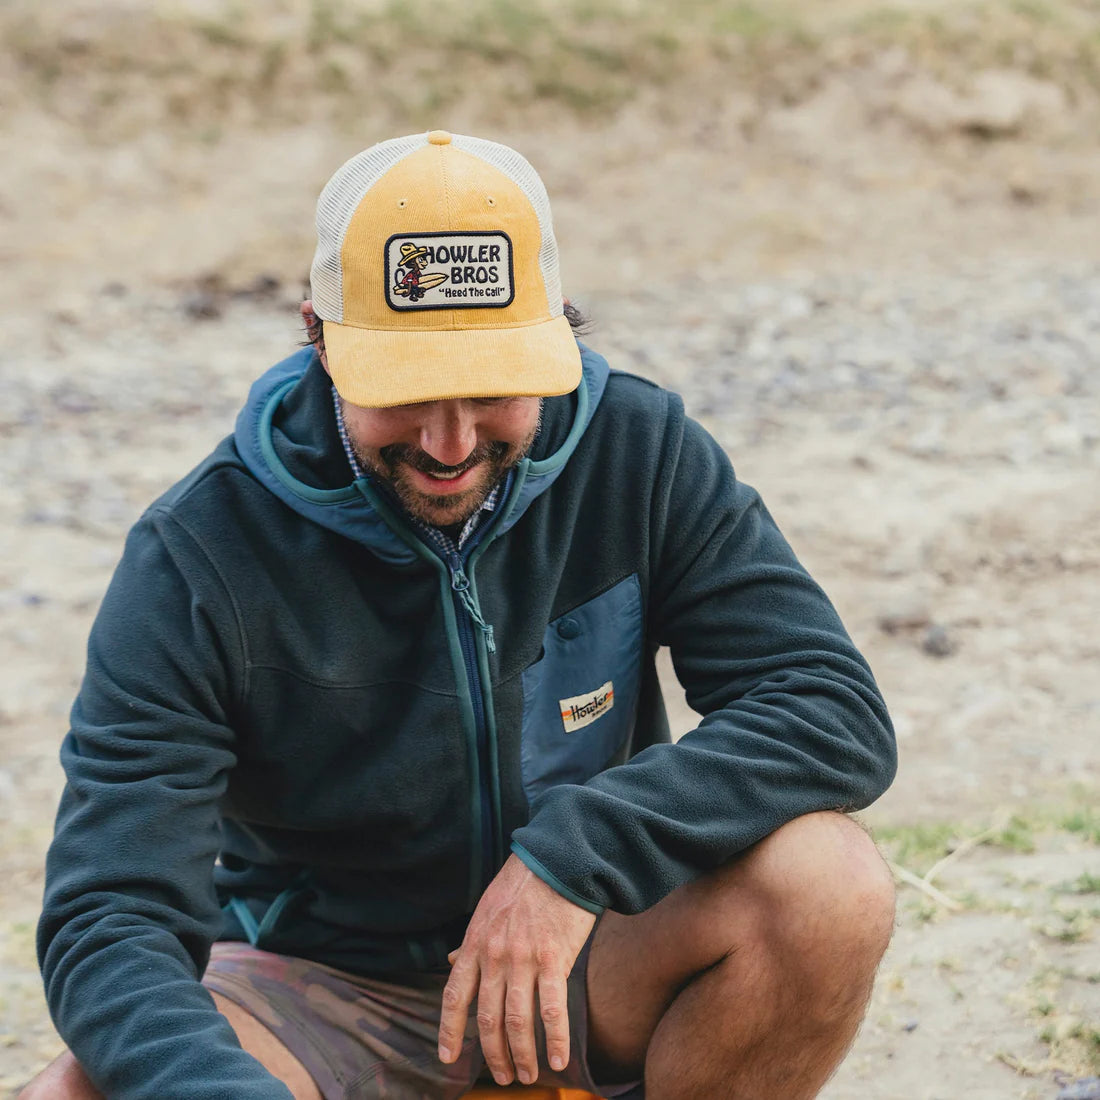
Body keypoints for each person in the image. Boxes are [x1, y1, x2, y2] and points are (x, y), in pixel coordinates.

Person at [24, 130, 897, 1100]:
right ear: (316, 336)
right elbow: (108, 913)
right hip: (315, 990)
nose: (449, 442)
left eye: (490, 386)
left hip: (583, 955)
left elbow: (826, 708)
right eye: (403, 393)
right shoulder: (197, 550)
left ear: (558, 332)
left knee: (826, 883)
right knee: (82, 1090)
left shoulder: (640, 453)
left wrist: (574, 858)